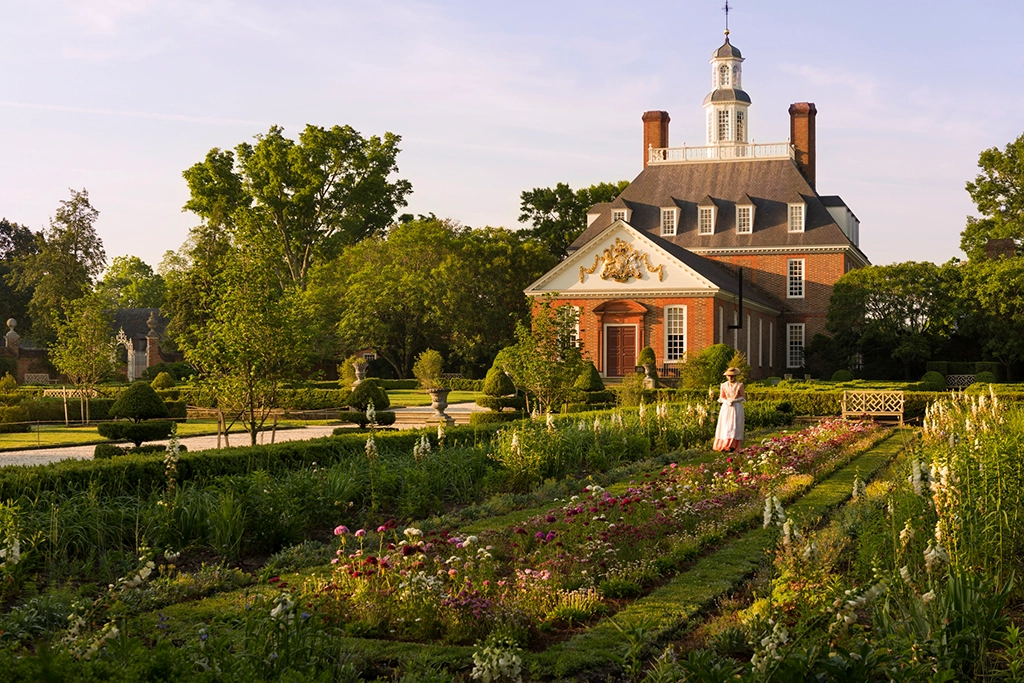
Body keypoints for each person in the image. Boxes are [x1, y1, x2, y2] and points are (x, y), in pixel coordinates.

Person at [713, 367, 745, 452]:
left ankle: (734, 445)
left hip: (736, 407)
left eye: (732, 376)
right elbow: (721, 397)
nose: (731, 378)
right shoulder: (723, 385)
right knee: (726, 425)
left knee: (735, 425)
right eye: (729, 376)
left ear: (735, 376)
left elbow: (743, 397)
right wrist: (727, 401)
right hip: (726, 407)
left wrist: (735, 400)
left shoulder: (739, 385)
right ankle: (724, 445)